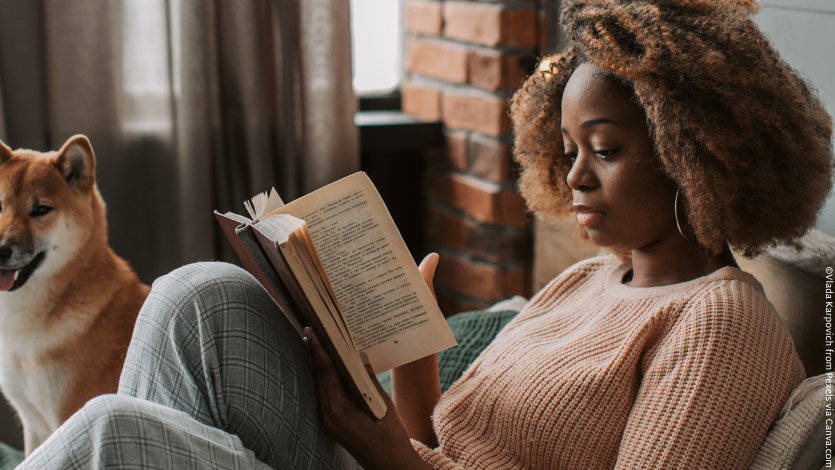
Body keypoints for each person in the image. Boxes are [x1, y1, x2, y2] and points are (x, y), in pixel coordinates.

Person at [16, 0, 833, 468]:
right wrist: (406, 364)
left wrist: (378, 450)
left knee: (111, 434)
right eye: (570, 151)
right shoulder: (586, 282)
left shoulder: (720, 327)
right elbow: (442, 443)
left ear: (697, 156)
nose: (576, 177)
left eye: (607, 153)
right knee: (200, 293)